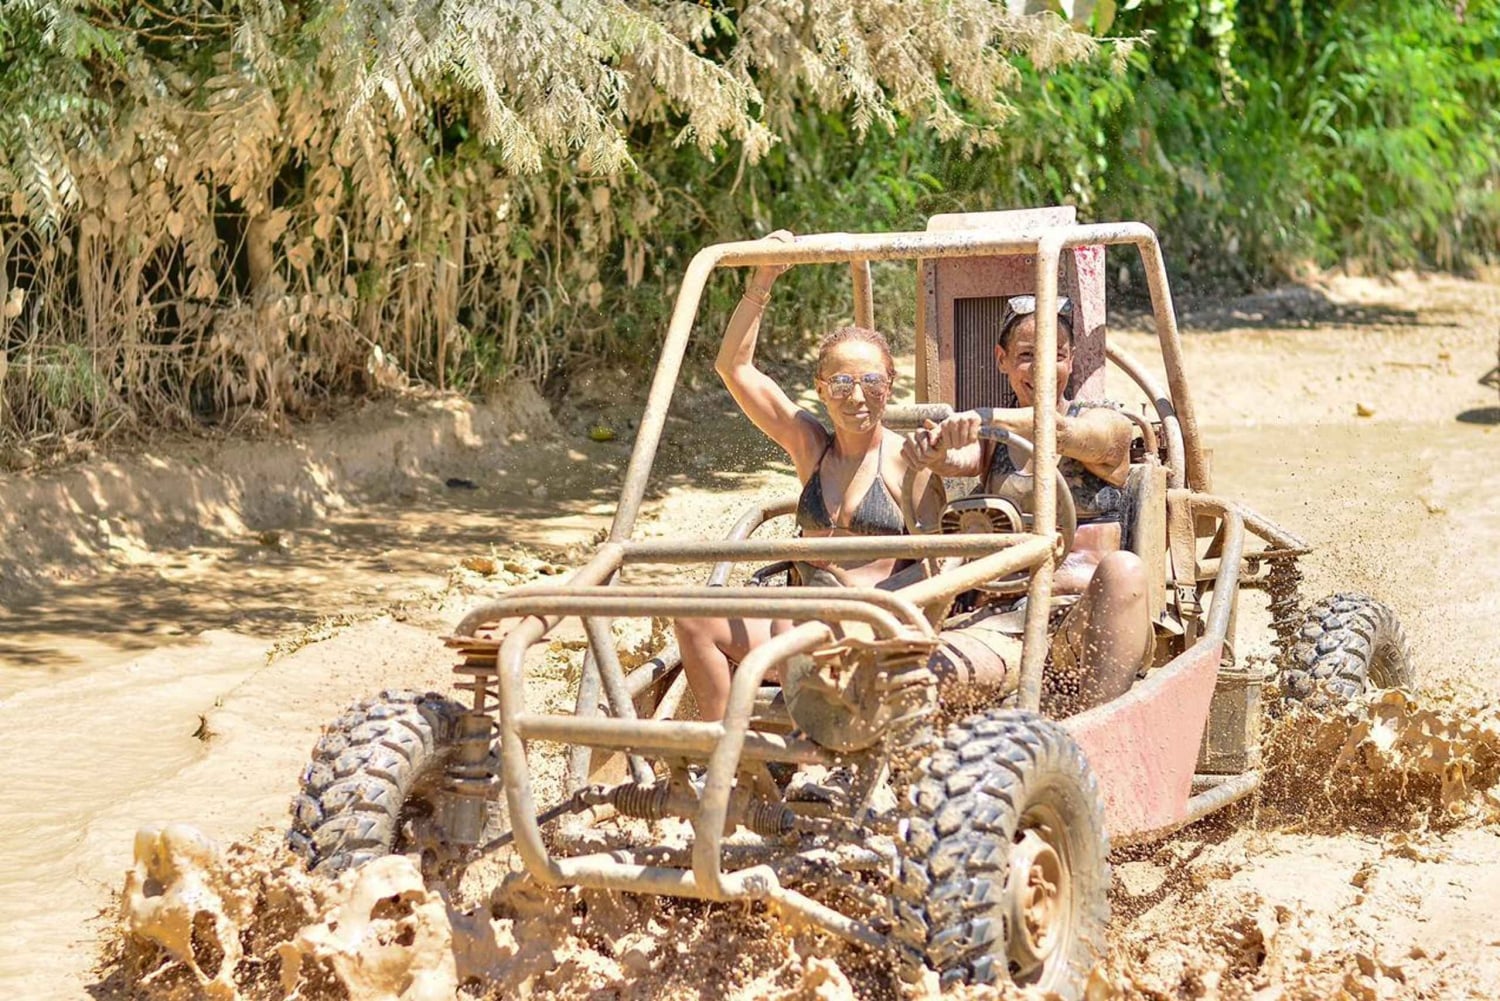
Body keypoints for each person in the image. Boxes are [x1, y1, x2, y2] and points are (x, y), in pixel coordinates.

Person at [673, 233, 945, 721]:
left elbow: (934, 575)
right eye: (841, 383)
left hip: (867, 628)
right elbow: (732, 366)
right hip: (795, 621)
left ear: (890, 386)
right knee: (694, 616)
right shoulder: (810, 446)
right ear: (822, 389)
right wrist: (764, 278)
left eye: (870, 382)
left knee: (810, 629)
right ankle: (722, 754)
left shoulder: (907, 459)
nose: (856, 397)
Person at [902, 294, 1153, 714]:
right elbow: (955, 460)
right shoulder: (994, 444)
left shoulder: (1102, 423)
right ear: (1002, 360)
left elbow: (1061, 430)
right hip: (1002, 622)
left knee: (1125, 569)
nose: (1040, 370)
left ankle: (1094, 731)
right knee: (927, 676)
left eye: (1054, 356)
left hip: (1083, 623)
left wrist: (985, 416)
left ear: (1070, 361)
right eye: (1024, 356)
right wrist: (931, 453)